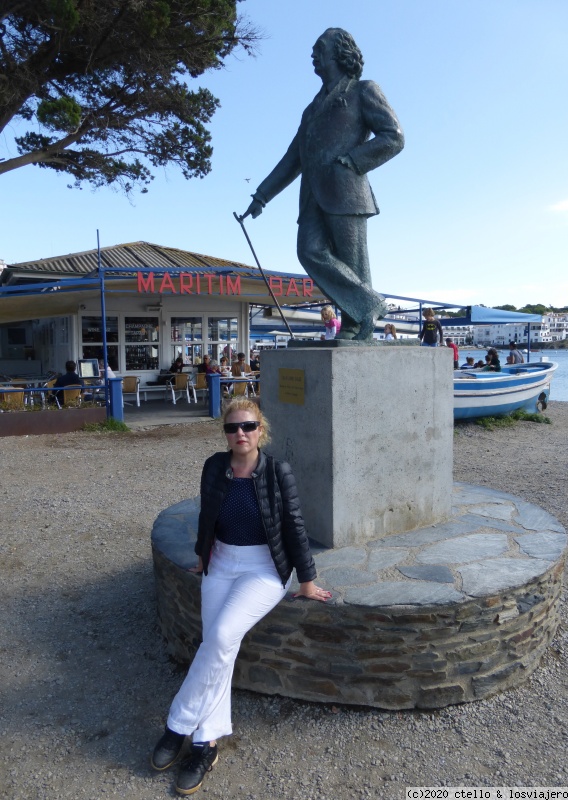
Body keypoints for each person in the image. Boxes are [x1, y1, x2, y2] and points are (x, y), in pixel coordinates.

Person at [150, 397, 331, 795]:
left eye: (248, 426)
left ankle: (177, 725)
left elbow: (294, 524)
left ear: (260, 430)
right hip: (221, 562)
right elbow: (206, 516)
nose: (240, 434)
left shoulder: (276, 471)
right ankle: (205, 743)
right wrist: (202, 556)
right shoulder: (215, 466)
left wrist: (306, 580)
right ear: (225, 434)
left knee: (217, 638)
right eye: (233, 428)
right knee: (221, 649)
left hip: (263, 569)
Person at [242, 28, 404, 341]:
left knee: (353, 260)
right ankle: (369, 305)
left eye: (319, 48)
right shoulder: (311, 109)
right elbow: (293, 157)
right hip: (313, 195)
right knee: (308, 250)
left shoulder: (363, 90)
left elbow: (394, 137)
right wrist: (262, 195)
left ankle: (358, 324)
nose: (313, 55)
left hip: (347, 190)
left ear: (339, 53)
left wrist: (354, 160)